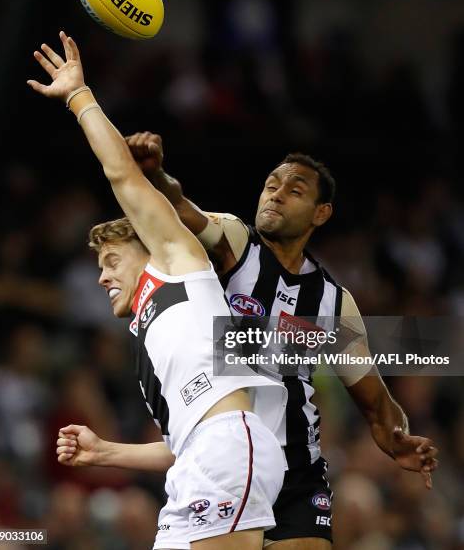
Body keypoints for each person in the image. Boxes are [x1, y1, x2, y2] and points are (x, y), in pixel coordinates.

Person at [57, 130, 439, 550]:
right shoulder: (236, 242)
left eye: (294, 190)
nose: (275, 195)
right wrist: (158, 175)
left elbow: (376, 403)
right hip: (227, 447)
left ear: (321, 213)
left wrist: (397, 436)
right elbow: (182, 211)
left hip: (295, 467)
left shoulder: (333, 302)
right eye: (271, 185)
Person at [27, 31, 289, 550]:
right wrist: (104, 453)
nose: (102, 276)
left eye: (111, 261)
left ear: (148, 247)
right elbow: (181, 441)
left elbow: (121, 175)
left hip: (228, 453)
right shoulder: (153, 341)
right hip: (200, 460)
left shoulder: (176, 264)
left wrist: (80, 98)